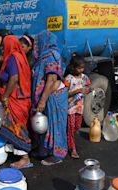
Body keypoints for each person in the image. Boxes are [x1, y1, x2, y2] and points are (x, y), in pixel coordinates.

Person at [32, 30, 68, 166]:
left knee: (55, 125)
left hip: (53, 96)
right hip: (47, 96)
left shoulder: (52, 56)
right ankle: (44, 150)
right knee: (45, 124)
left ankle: (57, 154)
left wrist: (43, 99)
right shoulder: (43, 56)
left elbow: (52, 79)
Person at [0, 35, 32, 169]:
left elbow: (14, 78)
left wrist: (5, 96)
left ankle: (25, 157)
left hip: (15, 98)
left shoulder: (13, 58)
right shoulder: (20, 57)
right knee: (16, 126)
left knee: (18, 127)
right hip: (22, 97)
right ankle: (19, 153)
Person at [64, 55, 91, 159]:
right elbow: (63, 94)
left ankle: (67, 140)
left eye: (82, 68)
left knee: (77, 126)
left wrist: (89, 89)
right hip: (70, 107)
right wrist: (77, 91)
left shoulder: (84, 77)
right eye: (79, 68)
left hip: (79, 106)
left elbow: (88, 86)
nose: (81, 70)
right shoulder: (68, 79)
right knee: (71, 128)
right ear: (73, 67)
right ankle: (72, 148)